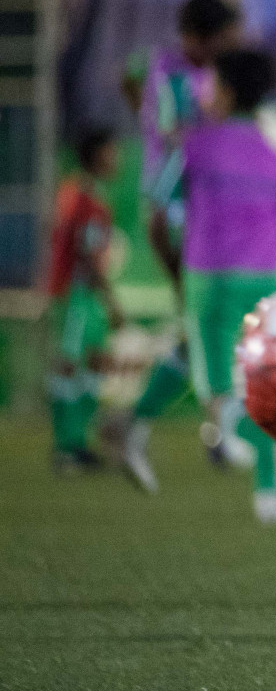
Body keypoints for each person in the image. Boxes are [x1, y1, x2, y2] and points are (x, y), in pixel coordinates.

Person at [153, 48, 276, 525]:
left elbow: (158, 211)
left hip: (210, 280)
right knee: (261, 385)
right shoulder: (275, 156)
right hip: (270, 278)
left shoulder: (193, 147)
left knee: (220, 399)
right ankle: (271, 487)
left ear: (223, 91)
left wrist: (174, 270)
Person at [118, 0, 243, 483]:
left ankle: (212, 426)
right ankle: (213, 428)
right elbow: (180, 140)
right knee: (207, 319)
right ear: (196, 37)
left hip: (201, 207)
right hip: (178, 208)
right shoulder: (174, 76)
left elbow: (126, 75)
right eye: (223, 40)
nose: (228, 49)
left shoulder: (162, 67)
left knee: (205, 324)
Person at [46, 130, 138, 483]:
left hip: (78, 295)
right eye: (113, 151)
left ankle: (77, 444)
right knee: (70, 366)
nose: (118, 159)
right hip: (77, 295)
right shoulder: (88, 203)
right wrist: (111, 302)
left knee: (90, 365)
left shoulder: (74, 193)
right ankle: (67, 447)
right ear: (97, 155)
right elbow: (85, 258)